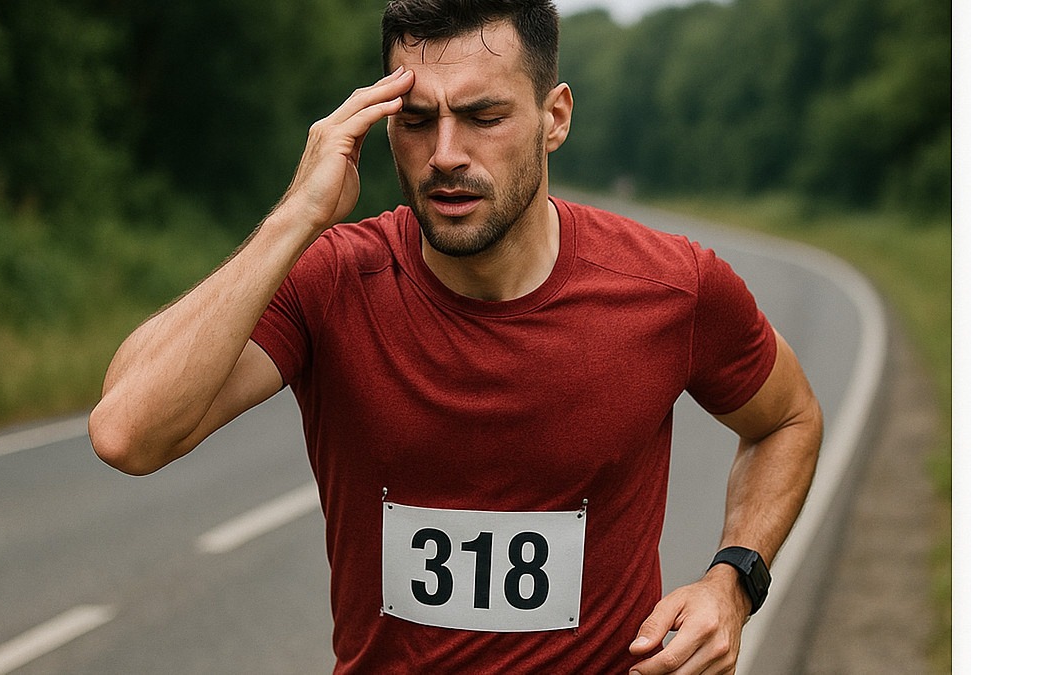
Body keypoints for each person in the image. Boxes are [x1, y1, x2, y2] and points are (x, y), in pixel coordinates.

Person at [89, 0, 823, 672]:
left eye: (483, 116)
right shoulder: (332, 277)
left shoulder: (673, 286)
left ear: (554, 116)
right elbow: (128, 432)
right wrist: (296, 218)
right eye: (416, 120)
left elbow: (787, 419)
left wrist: (734, 578)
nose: (445, 152)